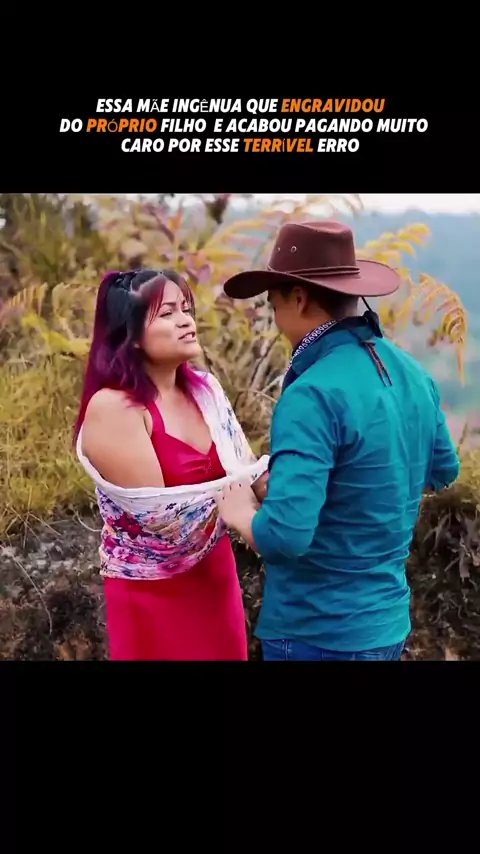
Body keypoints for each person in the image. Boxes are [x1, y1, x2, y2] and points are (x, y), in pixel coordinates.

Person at [216, 219, 460, 662]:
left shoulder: (311, 393)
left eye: (274, 303)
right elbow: (443, 470)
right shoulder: (413, 373)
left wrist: (241, 512)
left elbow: (284, 538)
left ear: (299, 297)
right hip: (386, 624)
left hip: (317, 631)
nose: (276, 317)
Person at [74, 268, 268, 661]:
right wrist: (239, 508)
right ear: (130, 333)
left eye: (186, 309)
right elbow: (164, 523)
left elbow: (247, 473)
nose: (185, 320)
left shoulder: (206, 391)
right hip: (154, 595)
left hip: (215, 579)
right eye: (166, 313)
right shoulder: (114, 408)